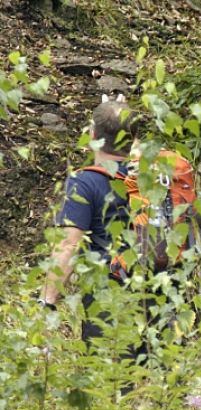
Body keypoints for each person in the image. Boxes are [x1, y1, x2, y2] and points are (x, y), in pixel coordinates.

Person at [39, 95, 140, 349]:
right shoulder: (152, 176)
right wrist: (121, 117)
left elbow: (68, 247)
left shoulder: (84, 183)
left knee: (109, 384)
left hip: (108, 296)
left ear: (92, 136)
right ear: (134, 139)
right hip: (156, 293)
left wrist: (47, 302)